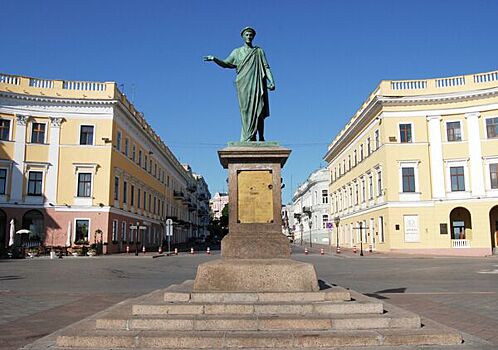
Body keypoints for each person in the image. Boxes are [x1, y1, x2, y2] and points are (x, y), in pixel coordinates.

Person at [204, 27, 275, 142]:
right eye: (246, 35)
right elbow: (226, 63)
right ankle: (248, 137)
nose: (249, 37)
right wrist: (214, 59)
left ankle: (261, 137)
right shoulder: (236, 52)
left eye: (251, 35)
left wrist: (271, 81)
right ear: (243, 36)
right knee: (246, 110)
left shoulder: (259, 51)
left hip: (257, 83)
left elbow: (266, 67)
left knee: (259, 109)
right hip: (243, 84)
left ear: (253, 37)